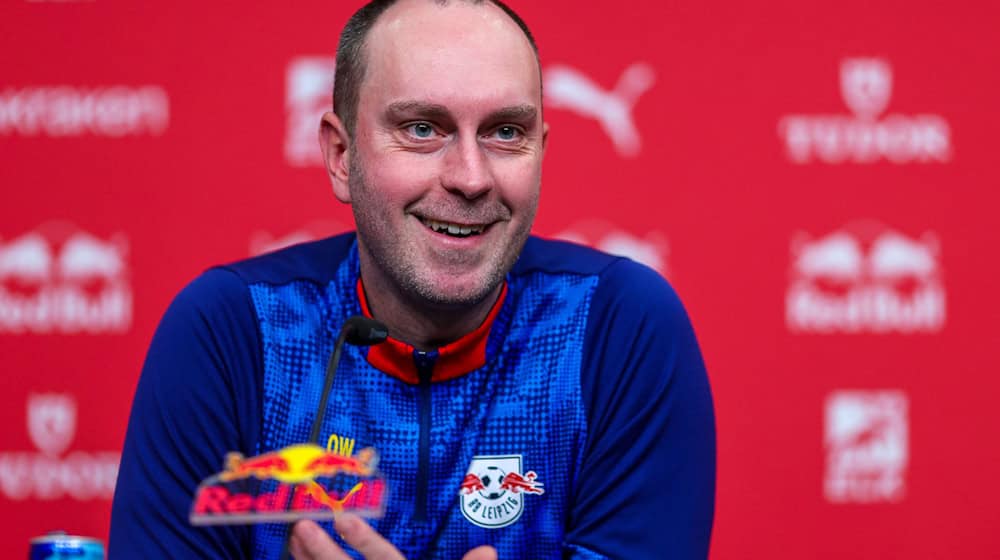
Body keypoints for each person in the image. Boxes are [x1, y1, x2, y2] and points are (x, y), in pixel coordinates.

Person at [109, 0, 716, 558]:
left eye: (506, 133)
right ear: (341, 156)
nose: (471, 177)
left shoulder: (615, 327)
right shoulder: (234, 332)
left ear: (541, 150)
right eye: (423, 129)